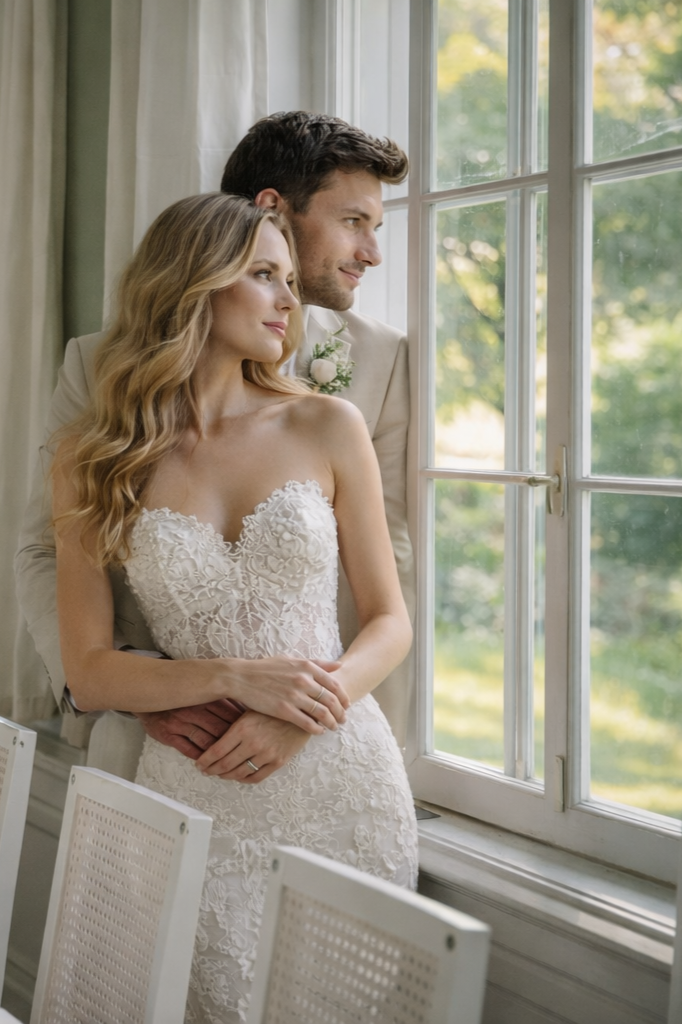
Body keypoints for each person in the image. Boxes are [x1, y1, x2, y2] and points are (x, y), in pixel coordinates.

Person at [51, 192, 418, 1023]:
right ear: (192, 286)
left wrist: (304, 713)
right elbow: (90, 669)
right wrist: (233, 679)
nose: (291, 300)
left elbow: (389, 622)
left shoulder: (328, 423)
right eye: (264, 275)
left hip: (337, 777)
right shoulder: (94, 454)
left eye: (290, 278)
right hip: (196, 782)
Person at [14, 110, 413, 778]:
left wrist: (314, 712)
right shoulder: (97, 370)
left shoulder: (372, 370)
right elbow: (44, 549)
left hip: (324, 740)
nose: (371, 252)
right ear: (272, 210)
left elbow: (388, 571)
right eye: (353, 222)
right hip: (165, 739)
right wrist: (148, 690)